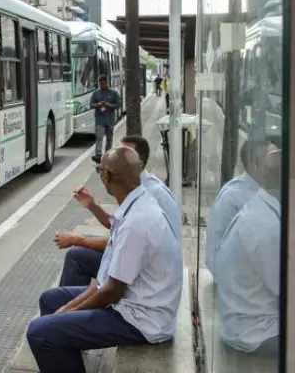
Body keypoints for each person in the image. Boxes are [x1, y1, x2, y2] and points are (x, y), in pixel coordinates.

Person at [28, 147, 183, 373]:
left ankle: (60, 340)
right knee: (50, 299)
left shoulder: (137, 223)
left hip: (141, 320)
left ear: (105, 177)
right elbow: (103, 282)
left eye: (100, 169)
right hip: (133, 301)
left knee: (39, 332)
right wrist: (67, 310)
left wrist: (68, 312)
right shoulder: (138, 203)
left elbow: (111, 291)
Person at [56, 136, 181, 287]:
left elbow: (118, 243)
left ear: (137, 162)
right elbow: (116, 227)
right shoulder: (136, 186)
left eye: (123, 155)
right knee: (79, 253)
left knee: (75, 256)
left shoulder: (151, 194)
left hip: (149, 275)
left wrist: (76, 239)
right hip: (142, 263)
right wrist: (92, 206)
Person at [214, 146, 281, 358]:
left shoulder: (262, 208)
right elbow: (289, 292)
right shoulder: (267, 227)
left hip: (246, 321)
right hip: (257, 332)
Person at [205, 138, 277, 278]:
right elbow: (214, 258)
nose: (275, 165)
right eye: (269, 160)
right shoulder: (232, 198)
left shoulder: (268, 190)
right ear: (253, 165)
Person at [90, 75, 121, 164]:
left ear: (106, 83)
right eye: (100, 84)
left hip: (110, 119)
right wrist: (98, 105)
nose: (102, 85)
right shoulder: (96, 93)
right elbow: (91, 104)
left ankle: (108, 155)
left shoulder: (113, 93)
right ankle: (98, 155)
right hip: (99, 119)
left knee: (109, 138)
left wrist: (108, 105)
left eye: (103, 83)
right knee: (99, 137)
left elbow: (118, 104)